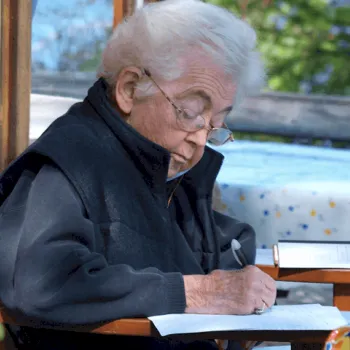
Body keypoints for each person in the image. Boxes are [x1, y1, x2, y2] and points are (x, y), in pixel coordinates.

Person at [0, 0, 276, 349]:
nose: (201, 139)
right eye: (191, 112)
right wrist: (196, 292)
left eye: (217, 124)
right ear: (130, 89)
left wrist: (235, 281)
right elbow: (39, 281)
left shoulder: (161, 162)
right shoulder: (72, 160)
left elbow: (209, 243)